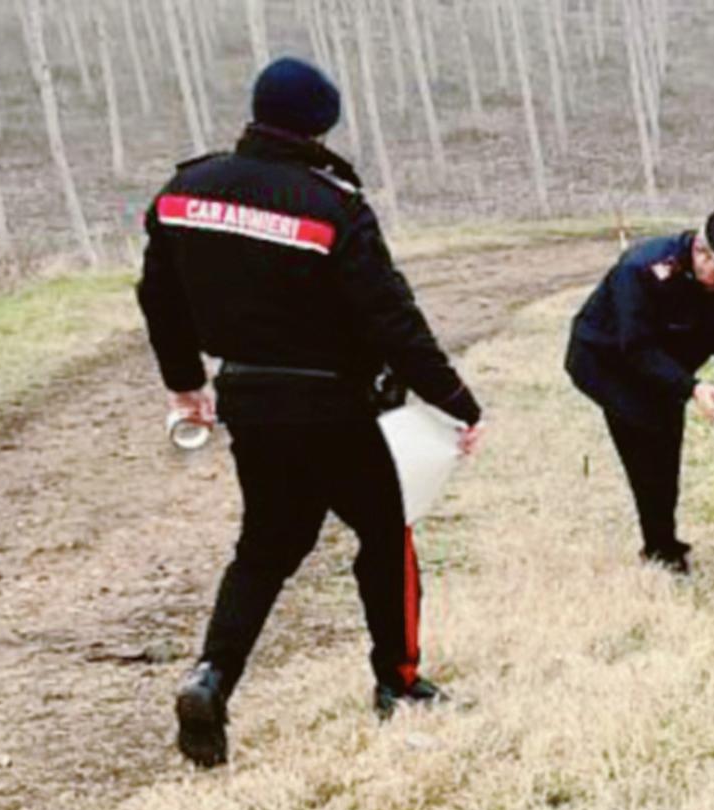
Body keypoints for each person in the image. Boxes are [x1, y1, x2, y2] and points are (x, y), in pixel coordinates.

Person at [138, 58, 484, 768]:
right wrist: (456, 402)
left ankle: (212, 676)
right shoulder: (333, 206)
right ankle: (399, 681)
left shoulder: (182, 193)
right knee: (387, 536)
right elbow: (392, 318)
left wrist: (184, 383)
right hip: (334, 405)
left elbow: (159, 298)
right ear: (321, 123)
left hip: (250, 401)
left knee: (265, 547)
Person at [565, 209, 714, 574]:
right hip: (609, 362)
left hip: (668, 360)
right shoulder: (640, 270)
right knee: (648, 442)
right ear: (702, 253)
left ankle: (664, 540)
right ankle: (660, 551)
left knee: (667, 440)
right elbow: (638, 347)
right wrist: (692, 388)